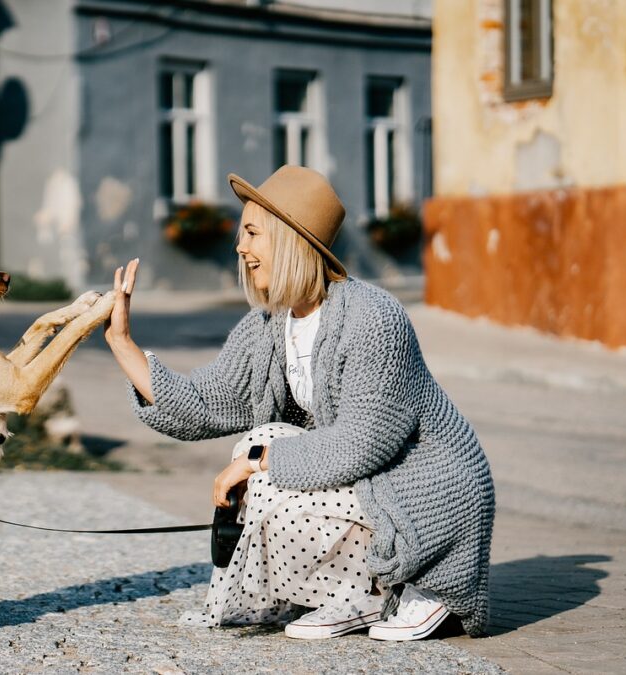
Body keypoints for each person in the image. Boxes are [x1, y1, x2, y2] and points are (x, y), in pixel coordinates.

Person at [103, 166, 494, 641]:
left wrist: (256, 463)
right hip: (370, 483)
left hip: (427, 491)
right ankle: (351, 595)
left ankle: (405, 586)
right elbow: (207, 402)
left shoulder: (374, 318)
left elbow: (361, 444)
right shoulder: (270, 323)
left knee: (263, 462)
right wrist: (123, 344)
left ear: (289, 239)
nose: (239, 247)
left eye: (251, 233)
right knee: (260, 442)